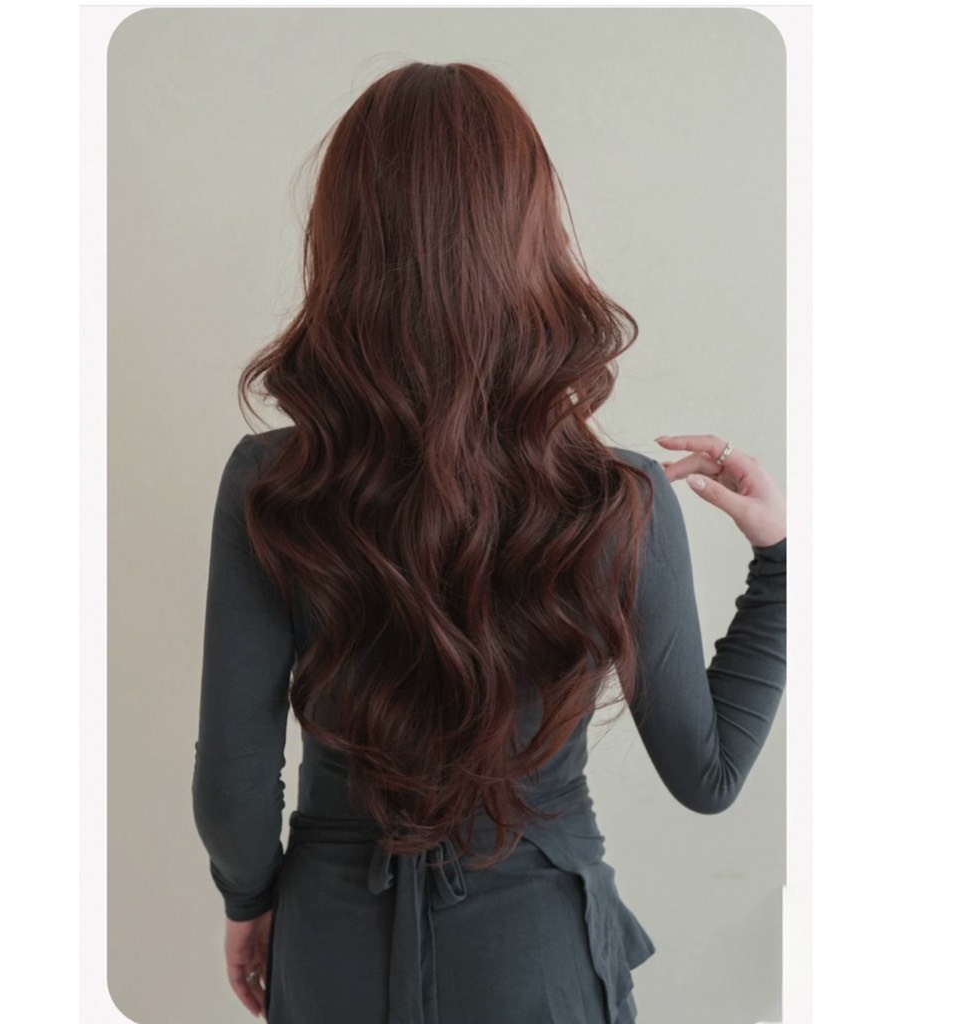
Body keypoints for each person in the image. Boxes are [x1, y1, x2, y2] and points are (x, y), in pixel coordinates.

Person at [191, 61, 787, 1024]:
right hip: (536, 957)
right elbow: (707, 777)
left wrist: (247, 903)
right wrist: (783, 568)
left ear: (342, 239)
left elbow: (233, 781)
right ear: (532, 235)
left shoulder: (272, 480)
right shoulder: (614, 495)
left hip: (333, 942)